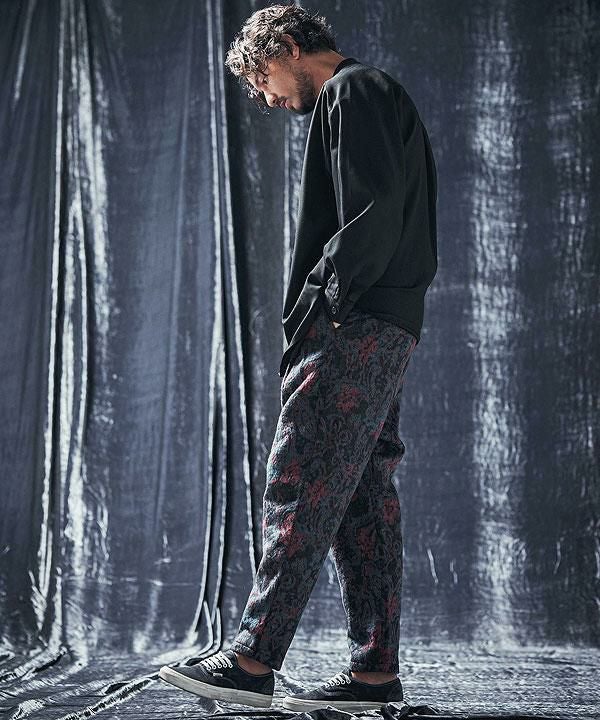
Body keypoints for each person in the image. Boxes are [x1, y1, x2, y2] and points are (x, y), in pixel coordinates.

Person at [159, 3, 437, 712]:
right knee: (362, 500)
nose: (265, 97)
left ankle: (253, 660)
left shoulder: (354, 89)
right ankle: (374, 675)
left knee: (301, 477)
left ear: (287, 46)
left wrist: (327, 307)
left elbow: (372, 214)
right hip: (385, 321)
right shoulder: (367, 95)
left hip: (357, 322)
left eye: (262, 78)